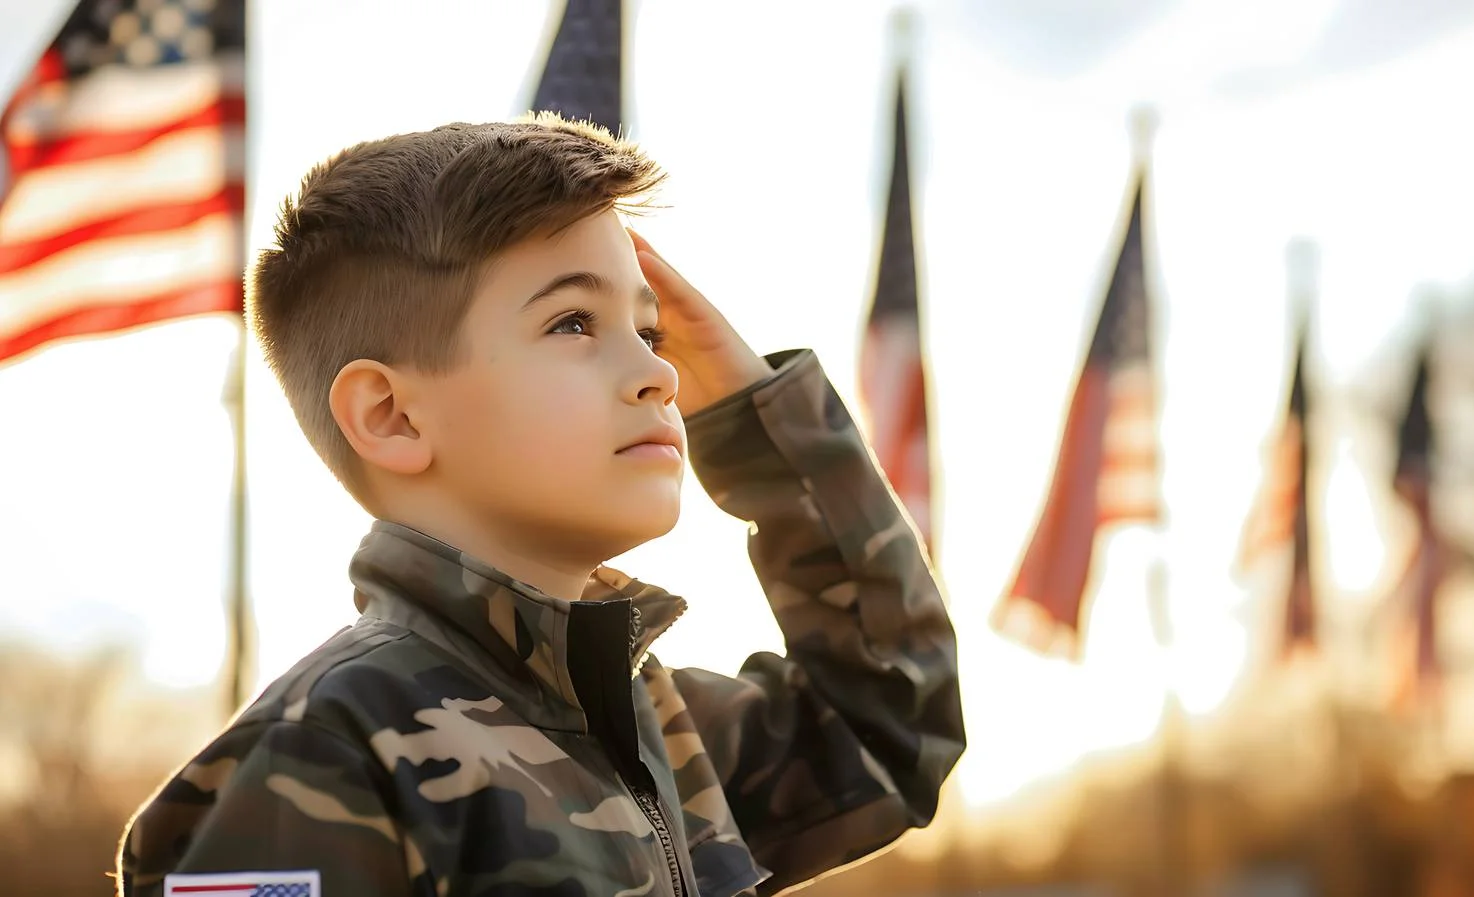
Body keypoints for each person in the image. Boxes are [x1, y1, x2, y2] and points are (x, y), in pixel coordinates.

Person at [117, 114, 964, 897]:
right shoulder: (326, 753)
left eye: (650, 332)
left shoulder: (654, 726)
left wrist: (757, 411)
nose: (661, 373)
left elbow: (894, 718)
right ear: (392, 415)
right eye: (572, 323)